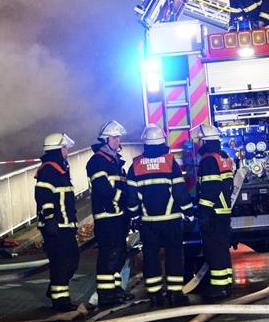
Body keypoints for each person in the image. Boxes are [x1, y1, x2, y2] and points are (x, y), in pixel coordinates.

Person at [126, 124, 195, 307]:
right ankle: (174, 292)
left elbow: (131, 196)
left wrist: (134, 216)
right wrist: (188, 212)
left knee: (151, 257)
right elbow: (180, 191)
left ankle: (155, 295)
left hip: (148, 223)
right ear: (162, 141)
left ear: (145, 143)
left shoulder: (136, 165)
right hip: (171, 220)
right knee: (174, 255)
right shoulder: (170, 162)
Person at [86, 120, 132, 308]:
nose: (118, 140)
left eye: (118, 137)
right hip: (107, 217)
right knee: (108, 256)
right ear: (106, 140)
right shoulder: (97, 162)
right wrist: (124, 199)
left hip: (118, 217)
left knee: (118, 254)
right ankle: (106, 295)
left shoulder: (115, 162)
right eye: (115, 137)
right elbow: (103, 189)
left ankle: (115, 290)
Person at [34, 132, 80, 311]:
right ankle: (60, 302)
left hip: (65, 226)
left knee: (72, 260)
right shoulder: (48, 170)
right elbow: (42, 195)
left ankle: (55, 290)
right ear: (57, 150)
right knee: (60, 263)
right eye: (65, 148)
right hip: (56, 227)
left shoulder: (60, 169)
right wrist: (50, 218)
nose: (67, 151)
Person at [191, 123, 234, 302]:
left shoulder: (208, 160)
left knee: (214, 249)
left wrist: (204, 212)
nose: (197, 144)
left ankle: (218, 287)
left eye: (198, 141)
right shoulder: (223, 157)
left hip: (214, 212)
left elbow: (209, 188)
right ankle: (226, 283)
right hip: (223, 211)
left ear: (204, 141)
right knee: (222, 248)